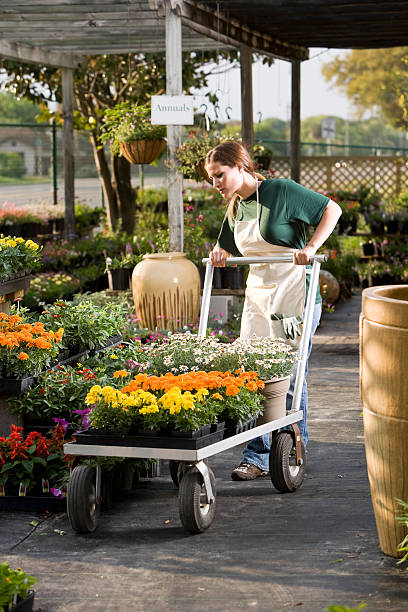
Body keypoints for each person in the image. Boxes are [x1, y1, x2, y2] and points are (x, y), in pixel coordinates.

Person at [206, 141, 341, 481]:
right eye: (211, 178)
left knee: (290, 374)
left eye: (219, 175)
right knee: (251, 372)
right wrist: (219, 251)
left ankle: (292, 450)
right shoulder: (235, 207)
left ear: (240, 167)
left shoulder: (279, 191)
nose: (216, 183)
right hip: (259, 296)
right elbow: (226, 244)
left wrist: (311, 247)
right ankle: (257, 455)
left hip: (294, 294)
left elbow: (332, 210)